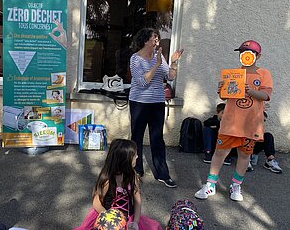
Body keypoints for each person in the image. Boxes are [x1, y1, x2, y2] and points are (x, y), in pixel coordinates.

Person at [195, 40, 273, 202]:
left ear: (258, 56)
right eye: (242, 53)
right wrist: (222, 90)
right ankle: (211, 184)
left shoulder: (264, 73)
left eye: (249, 53)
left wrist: (249, 91)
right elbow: (225, 96)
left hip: (250, 124)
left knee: (244, 155)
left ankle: (236, 185)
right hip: (230, 122)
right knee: (220, 153)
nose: (244, 56)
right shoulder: (234, 73)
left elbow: (266, 96)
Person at [128, 27, 183, 188]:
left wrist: (173, 62)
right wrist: (157, 64)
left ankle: (162, 174)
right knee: (136, 137)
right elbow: (142, 81)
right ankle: (135, 171)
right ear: (145, 41)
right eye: (154, 38)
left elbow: (170, 77)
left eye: (158, 38)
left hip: (157, 102)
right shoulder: (135, 59)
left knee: (157, 138)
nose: (157, 41)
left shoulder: (159, 57)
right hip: (139, 102)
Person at [74, 139, 162, 230]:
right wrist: (109, 219)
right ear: (125, 160)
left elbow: (137, 201)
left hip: (128, 218)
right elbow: (96, 202)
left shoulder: (132, 176)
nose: (137, 157)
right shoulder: (108, 180)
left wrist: (135, 222)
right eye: (135, 155)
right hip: (107, 219)